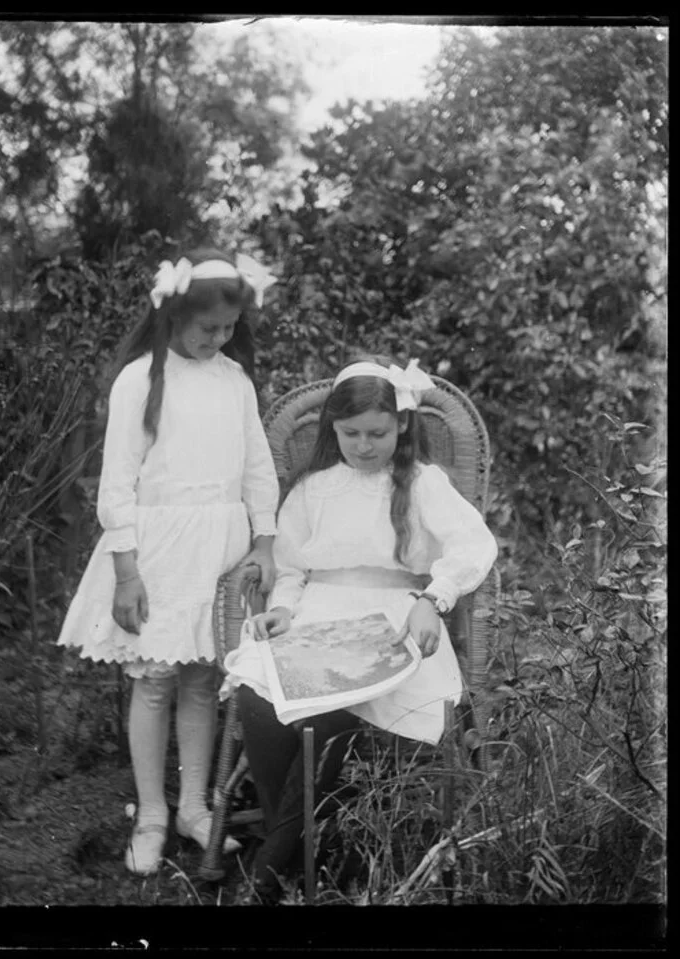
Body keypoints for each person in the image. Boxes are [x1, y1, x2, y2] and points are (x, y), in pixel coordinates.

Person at [222, 355, 498, 902]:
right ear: (333, 429)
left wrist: (432, 599)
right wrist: (282, 605)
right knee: (259, 691)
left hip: (395, 614)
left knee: (331, 703)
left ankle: (271, 875)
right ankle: (316, 845)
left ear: (401, 425)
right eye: (351, 433)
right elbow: (295, 568)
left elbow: (473, 546)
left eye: (377, 432)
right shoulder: (314, 488)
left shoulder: (423, 483)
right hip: (320, 613)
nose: (365, 445)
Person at [57, 247, 280, 876]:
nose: (219, 338)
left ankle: (193, 807)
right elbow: (117, 482)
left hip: (221, 548)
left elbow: (257, 468)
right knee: (155, 679)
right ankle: (152, 812)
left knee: (204, 682)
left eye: (229, 328)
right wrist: (126, 571)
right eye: (208, 327)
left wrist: (264, 539)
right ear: (174, 314)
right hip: (157, 551)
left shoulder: (234, 381)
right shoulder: (141, 379)